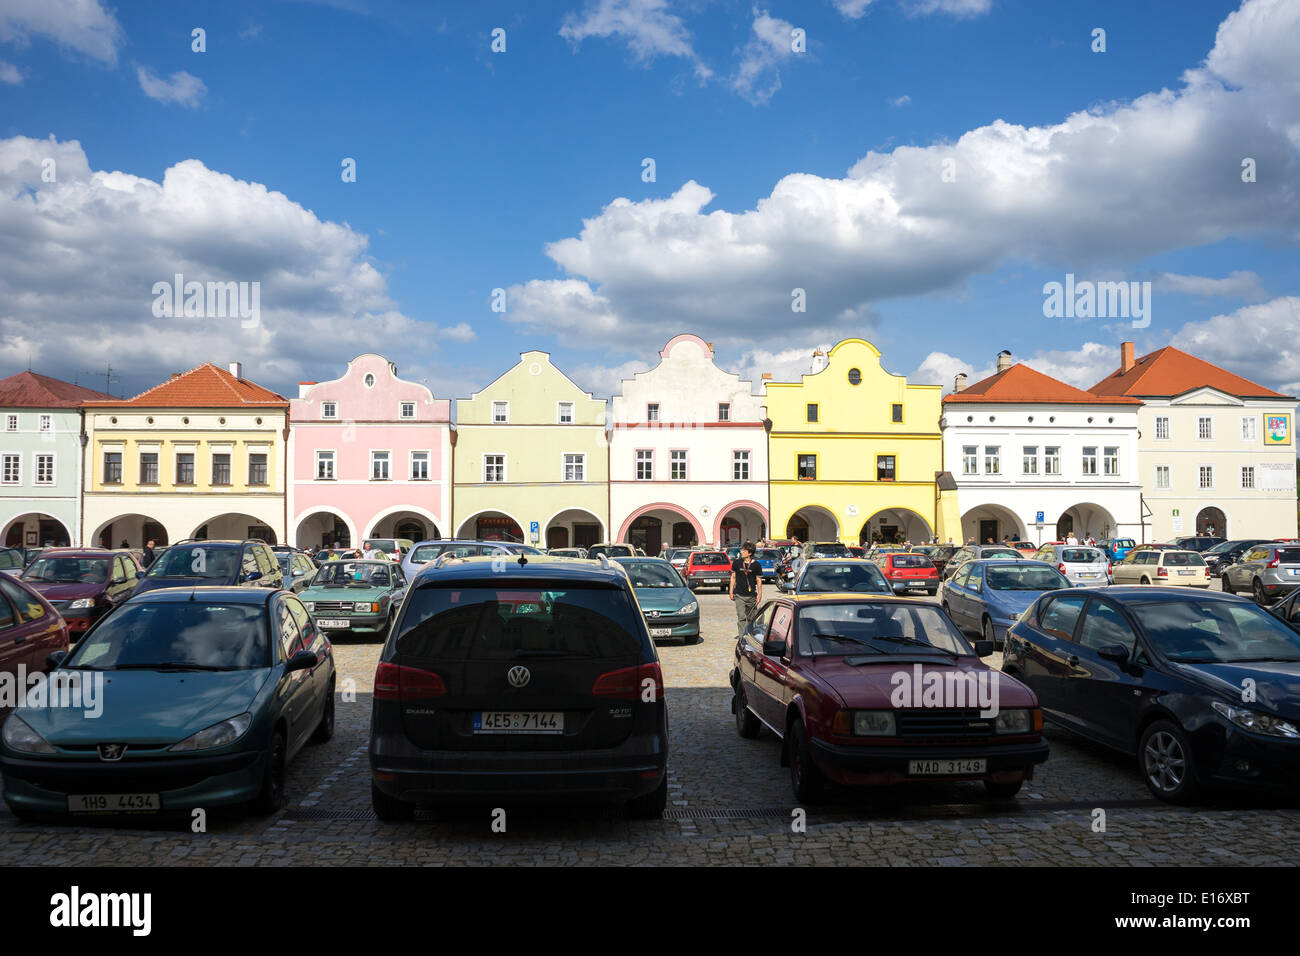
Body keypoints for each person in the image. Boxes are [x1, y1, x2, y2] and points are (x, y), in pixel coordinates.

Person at [730, 542, 763, 636]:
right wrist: (731, 591)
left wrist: (760, 595)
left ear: (750, 553)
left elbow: (759, 581)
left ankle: (751, 635)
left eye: (744, 550)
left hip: (752, 596)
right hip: (739, 595)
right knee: (741, 617)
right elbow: (733, 577)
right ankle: (743, 638)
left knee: (752, 618)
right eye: (742, 550)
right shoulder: (736, 563)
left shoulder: (757, 565)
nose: (741, 552)